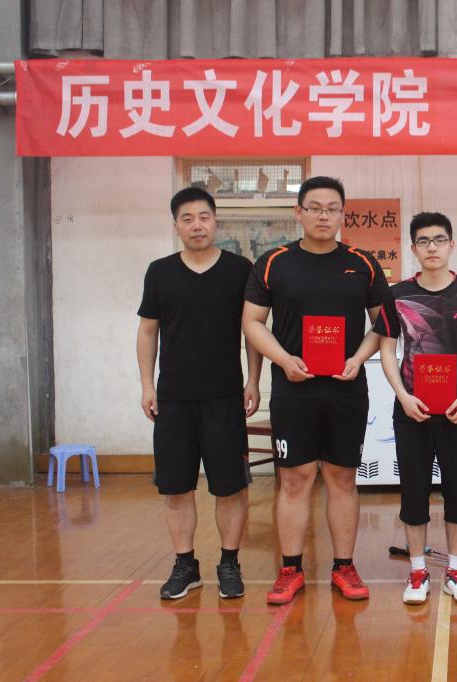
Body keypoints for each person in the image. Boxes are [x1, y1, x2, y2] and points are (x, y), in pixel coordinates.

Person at [242, 176, 395, 605]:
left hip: (347, 389)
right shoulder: (273, 262)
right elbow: (252, 322)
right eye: (315, 208)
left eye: (332, 209)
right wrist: (283, 360)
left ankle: (344, 567)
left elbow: (384, 324)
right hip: (294, 390)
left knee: (342, 478)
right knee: (294, 480)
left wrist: (358, 358)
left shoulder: (363, 264)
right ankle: (290, 569)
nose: (324, 216)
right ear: (299, 213)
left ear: (343, 214)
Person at [137, 186, 263, 600]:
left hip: (224, 397)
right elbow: (147, 331)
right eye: (187, 218)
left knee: (231, 488)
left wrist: (253, 380)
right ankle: (184, 565)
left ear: (216, 221)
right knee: (177, 488)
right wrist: (147, 385)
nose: (197, 225)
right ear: (176, 226)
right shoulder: (159, 272)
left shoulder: (239, 269)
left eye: (204, 217)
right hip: (173, 399)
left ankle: (229, 563)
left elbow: (252, 331)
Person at [374, 212, 457, 605]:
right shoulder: (396, 295)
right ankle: (417, 572)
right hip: (412, 410)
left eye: (439, 240)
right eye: (423, 241)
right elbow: (387, 349)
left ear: (451, 245)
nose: (432, 247)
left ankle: (455, 572)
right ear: (413, 248)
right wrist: (402, 396)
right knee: (414, 492)